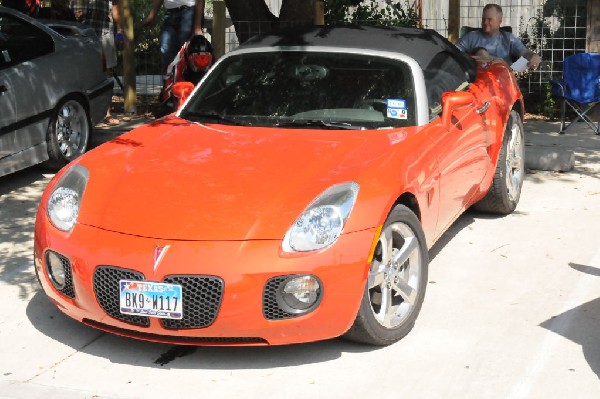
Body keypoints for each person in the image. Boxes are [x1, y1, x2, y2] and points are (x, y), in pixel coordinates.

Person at [70, 0, 122, 125]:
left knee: (106, 73)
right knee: (78, 74)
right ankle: (80, 114)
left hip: (104, 33)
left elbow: (115, 7)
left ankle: (106, 113)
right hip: (79, 35)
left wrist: (120, 30)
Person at [456, 3, 541, 69]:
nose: (485, 22)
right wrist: (475, 57)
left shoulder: (509, 38)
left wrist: (533, 56)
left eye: (489, 19)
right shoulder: (471, 37)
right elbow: (453, 52)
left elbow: (524, 52)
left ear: (500, 21)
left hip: (502, 81)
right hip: (477, 80)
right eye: (483, 19)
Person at [143, 0, 206, 75]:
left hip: (189, 12)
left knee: (184, 52)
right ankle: (168, 83)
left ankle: (185, 84)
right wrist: (152, 15)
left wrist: (197, 26)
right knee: (165, 50)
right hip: (170, 13)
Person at [156, 34, 213, 117]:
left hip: (203, 81)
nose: (202, 61)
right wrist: (168, 99)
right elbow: (169, 80)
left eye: (206, 58)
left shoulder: (215, 60)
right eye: (197, 58)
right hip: (184, 81)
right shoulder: (179, 60)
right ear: (189, 57)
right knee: (180, 94)